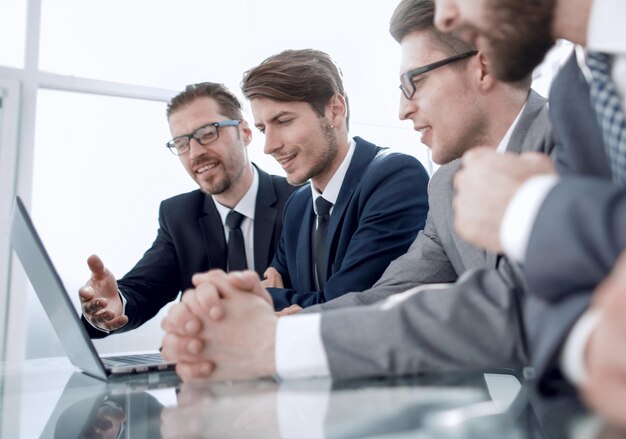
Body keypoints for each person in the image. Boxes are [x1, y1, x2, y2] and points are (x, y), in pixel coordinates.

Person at [159, 0, 553, 382]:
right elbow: (386, 297)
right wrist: (263, 324)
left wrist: (275, 339)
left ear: (482, 65)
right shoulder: (447, 185)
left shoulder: (579, 139)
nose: (402, 109)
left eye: (413, 83)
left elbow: (510, 309)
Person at [432, 0, 626, 428]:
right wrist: (587, 342)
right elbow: (552, 292)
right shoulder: (574, 88)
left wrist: (528, 211)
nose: (443, 16)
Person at [79, 82, 297, 337]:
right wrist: (112, 304)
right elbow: (144, 288)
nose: (194, 153)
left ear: (245, 132)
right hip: (201, 363)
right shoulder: (179, 215)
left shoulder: (299, 201)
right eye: (182, 143)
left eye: (207, 134)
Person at [241, 48, 430, 309]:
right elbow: (312, 299)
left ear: (335, 110)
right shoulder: (298, 205)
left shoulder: (394, 178)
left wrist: (259, 299)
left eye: (283, 121)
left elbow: (344, 304)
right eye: (263, 129)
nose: (269, 146)